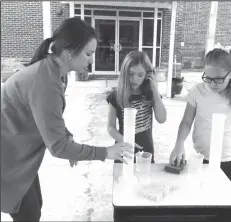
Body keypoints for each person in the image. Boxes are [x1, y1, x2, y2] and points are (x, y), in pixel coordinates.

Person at [1, 17, 134, 222]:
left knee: (33, 208)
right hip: (7, 154)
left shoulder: (54, 72)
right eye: (88, 53)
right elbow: (58, 147)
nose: (91, 60)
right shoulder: (45, 81)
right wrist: (105, 152)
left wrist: (68, 138)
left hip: (17, 150)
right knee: (27, 213)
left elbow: (49, 119)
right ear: (71, 51)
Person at [169, 47, 231, 185]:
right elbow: (186, 122)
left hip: (228, 158)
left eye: (218, 79)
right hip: (202, 156)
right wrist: (179, 144)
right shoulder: (198, 91)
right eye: (208, 78)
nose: (212, 83)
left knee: (223, 201)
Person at [106, 50, 167, 163]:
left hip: (146, 152)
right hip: (123, 151)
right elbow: (110, 127)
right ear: (124, 73)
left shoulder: (150, 94)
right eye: (131, 74)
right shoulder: (116, 95)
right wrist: (125, 140)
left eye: (140, 75)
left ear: (148, 75)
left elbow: (162, 119)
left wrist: (155, 90)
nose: (135, 79)